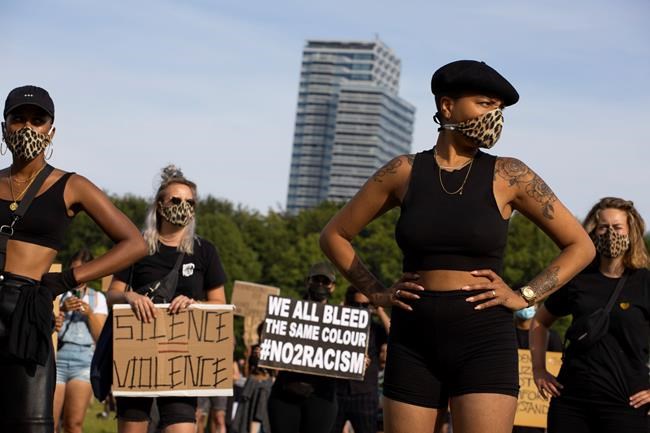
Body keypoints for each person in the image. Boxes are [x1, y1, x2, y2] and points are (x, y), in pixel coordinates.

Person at [319, 60, 596, 433]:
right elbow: (334, 235)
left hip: (483, 338)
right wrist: (378, 293)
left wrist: (524, 295)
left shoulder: (509, 175)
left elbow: (580, 245)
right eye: (484, 103)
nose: (494, 115)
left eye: (498, 108)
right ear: (447, 106)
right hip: (413, 338)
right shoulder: (403, 171)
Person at [0, 85, 146, 433]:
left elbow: (134, 243)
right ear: (4, 126)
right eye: (18, 118)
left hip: (27, 308)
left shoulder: (71, 185)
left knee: (32, 422)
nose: (27, 127)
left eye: (38, 120)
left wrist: (68, 279)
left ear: (51, 130)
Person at [107, 165, 227, 433]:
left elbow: (220, 304)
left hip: (184, 359)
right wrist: (130, 297)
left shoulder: (204, 251)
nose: (183, 206)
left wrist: (195, 305)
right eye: (175, 200)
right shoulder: (136, 246)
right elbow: (112, 295)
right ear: (159, 205)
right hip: (138, 356)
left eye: (189, 202)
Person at [530, 197, 650, 432]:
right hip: (572, 402)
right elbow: (540, 322)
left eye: (617, 227)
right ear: (593, 231)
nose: (609, 233)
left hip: (626, 402)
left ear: (631, 231)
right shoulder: (579, 278)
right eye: (603, 227)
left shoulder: (644, 282)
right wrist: (538, 370)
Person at [267, 262, 340, 433]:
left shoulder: (342, 321)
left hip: (322, 397)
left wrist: (359, 360)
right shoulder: (286, 313)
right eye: (316, 280)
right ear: (307, 282)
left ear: (333, 287)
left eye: (325, 281)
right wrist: (263, 353)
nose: (320, 285)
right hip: (286, 393)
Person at [53, 248, 109, 433]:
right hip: (57, 358)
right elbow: (49, 331)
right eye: (74, 270)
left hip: (83, 361)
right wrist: (61, 310)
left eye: (84, 270)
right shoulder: (59, 295)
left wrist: (89, 314)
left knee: (74, 423)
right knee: (49, 422)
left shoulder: (98, 298)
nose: (78, 276)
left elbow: (101, 337)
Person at [332, 286, 389, 433]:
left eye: (364, 306)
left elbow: (395, 336)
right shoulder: (335, 327)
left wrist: (380, 310)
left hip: (365, 394)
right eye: (355, 305)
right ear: (346, 303)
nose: (360, 309)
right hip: (337, 391)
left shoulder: (376, 329)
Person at [512, 304, 561, 433]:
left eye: (530, 304)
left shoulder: (551, 337)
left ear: (537, 307)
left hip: (536, 413)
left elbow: (556, 366)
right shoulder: (506, 334)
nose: (524, 307)